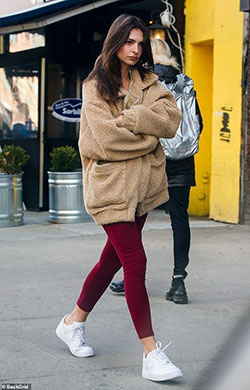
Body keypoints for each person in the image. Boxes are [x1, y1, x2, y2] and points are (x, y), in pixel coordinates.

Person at [55, 14, 183, 382]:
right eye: (129, 42)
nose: (135, 49)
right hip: (110, 187)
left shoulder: (149, 79)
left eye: (140, 43)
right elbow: (104, 140)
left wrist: (134, 116)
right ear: (115, 42)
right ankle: (151, 353)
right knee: (134, 262)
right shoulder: (95, 85)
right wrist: (147, 131)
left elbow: (170, 121)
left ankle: (72, 322)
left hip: (141, 189)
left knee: (110, 262)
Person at [110, 38, 203, 304]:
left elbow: (136, 123)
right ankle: (179, 283)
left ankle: (132, 277)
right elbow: (199, 123)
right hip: (182, 163)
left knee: (133, 220)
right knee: (180, 222)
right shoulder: (186, 83)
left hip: (151, 160)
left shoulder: (146, 82)